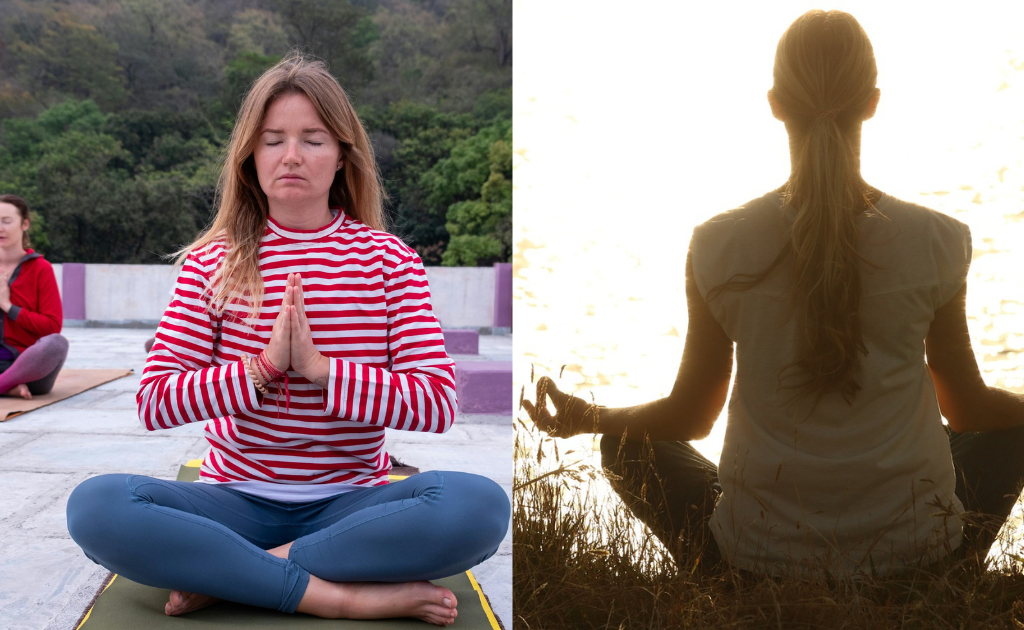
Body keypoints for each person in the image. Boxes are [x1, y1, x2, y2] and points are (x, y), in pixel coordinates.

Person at [524, 9, 1024, 578]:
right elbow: (967, 408)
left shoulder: (718, 243)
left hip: (758, 560)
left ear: (775, 103)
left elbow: (691, 416)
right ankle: (942, 569)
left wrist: (590, 416)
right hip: (917, 558)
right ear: (873, 102)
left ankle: (730, 574)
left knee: (625, 444)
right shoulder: (936, 239)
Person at [66, 54, 509, 625]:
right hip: (233, 501)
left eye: (313, 139)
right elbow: (156, 401)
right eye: (273, 139)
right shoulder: (213, 262)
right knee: (97, 507)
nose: (292, 155)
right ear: (250, 155)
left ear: (343, 153)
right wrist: (264, 367)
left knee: (478, 506)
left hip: (354, 506)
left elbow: (436, 403)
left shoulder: (389, 261)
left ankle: (240, 573)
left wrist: (322, 370)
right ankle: (336, 595)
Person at [0, 194, 68, 400]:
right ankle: (8, 387)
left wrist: (7, 305)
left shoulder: (40, 269)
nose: (0, 227)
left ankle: (6, 382)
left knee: (56, 344)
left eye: (6, 221)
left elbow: (52, 326)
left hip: (28, 368)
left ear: (25, 223)